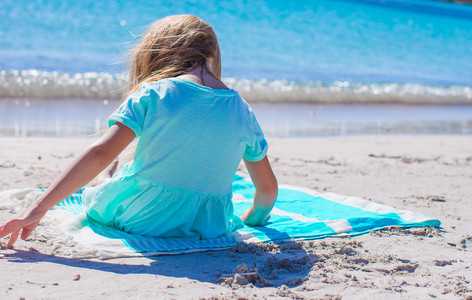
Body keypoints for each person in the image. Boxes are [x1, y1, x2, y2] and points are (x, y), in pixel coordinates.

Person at [0, 15, 277, 247]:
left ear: (160, 54)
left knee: (102, 182)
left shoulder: (155, 93)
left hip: (141, 217)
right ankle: (108, 177)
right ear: (212, 55)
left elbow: (100, 152)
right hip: (207, 226)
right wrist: (254, 218)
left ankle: (103, 179)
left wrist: (37, 209)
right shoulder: (241, 109)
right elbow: (267, 192)